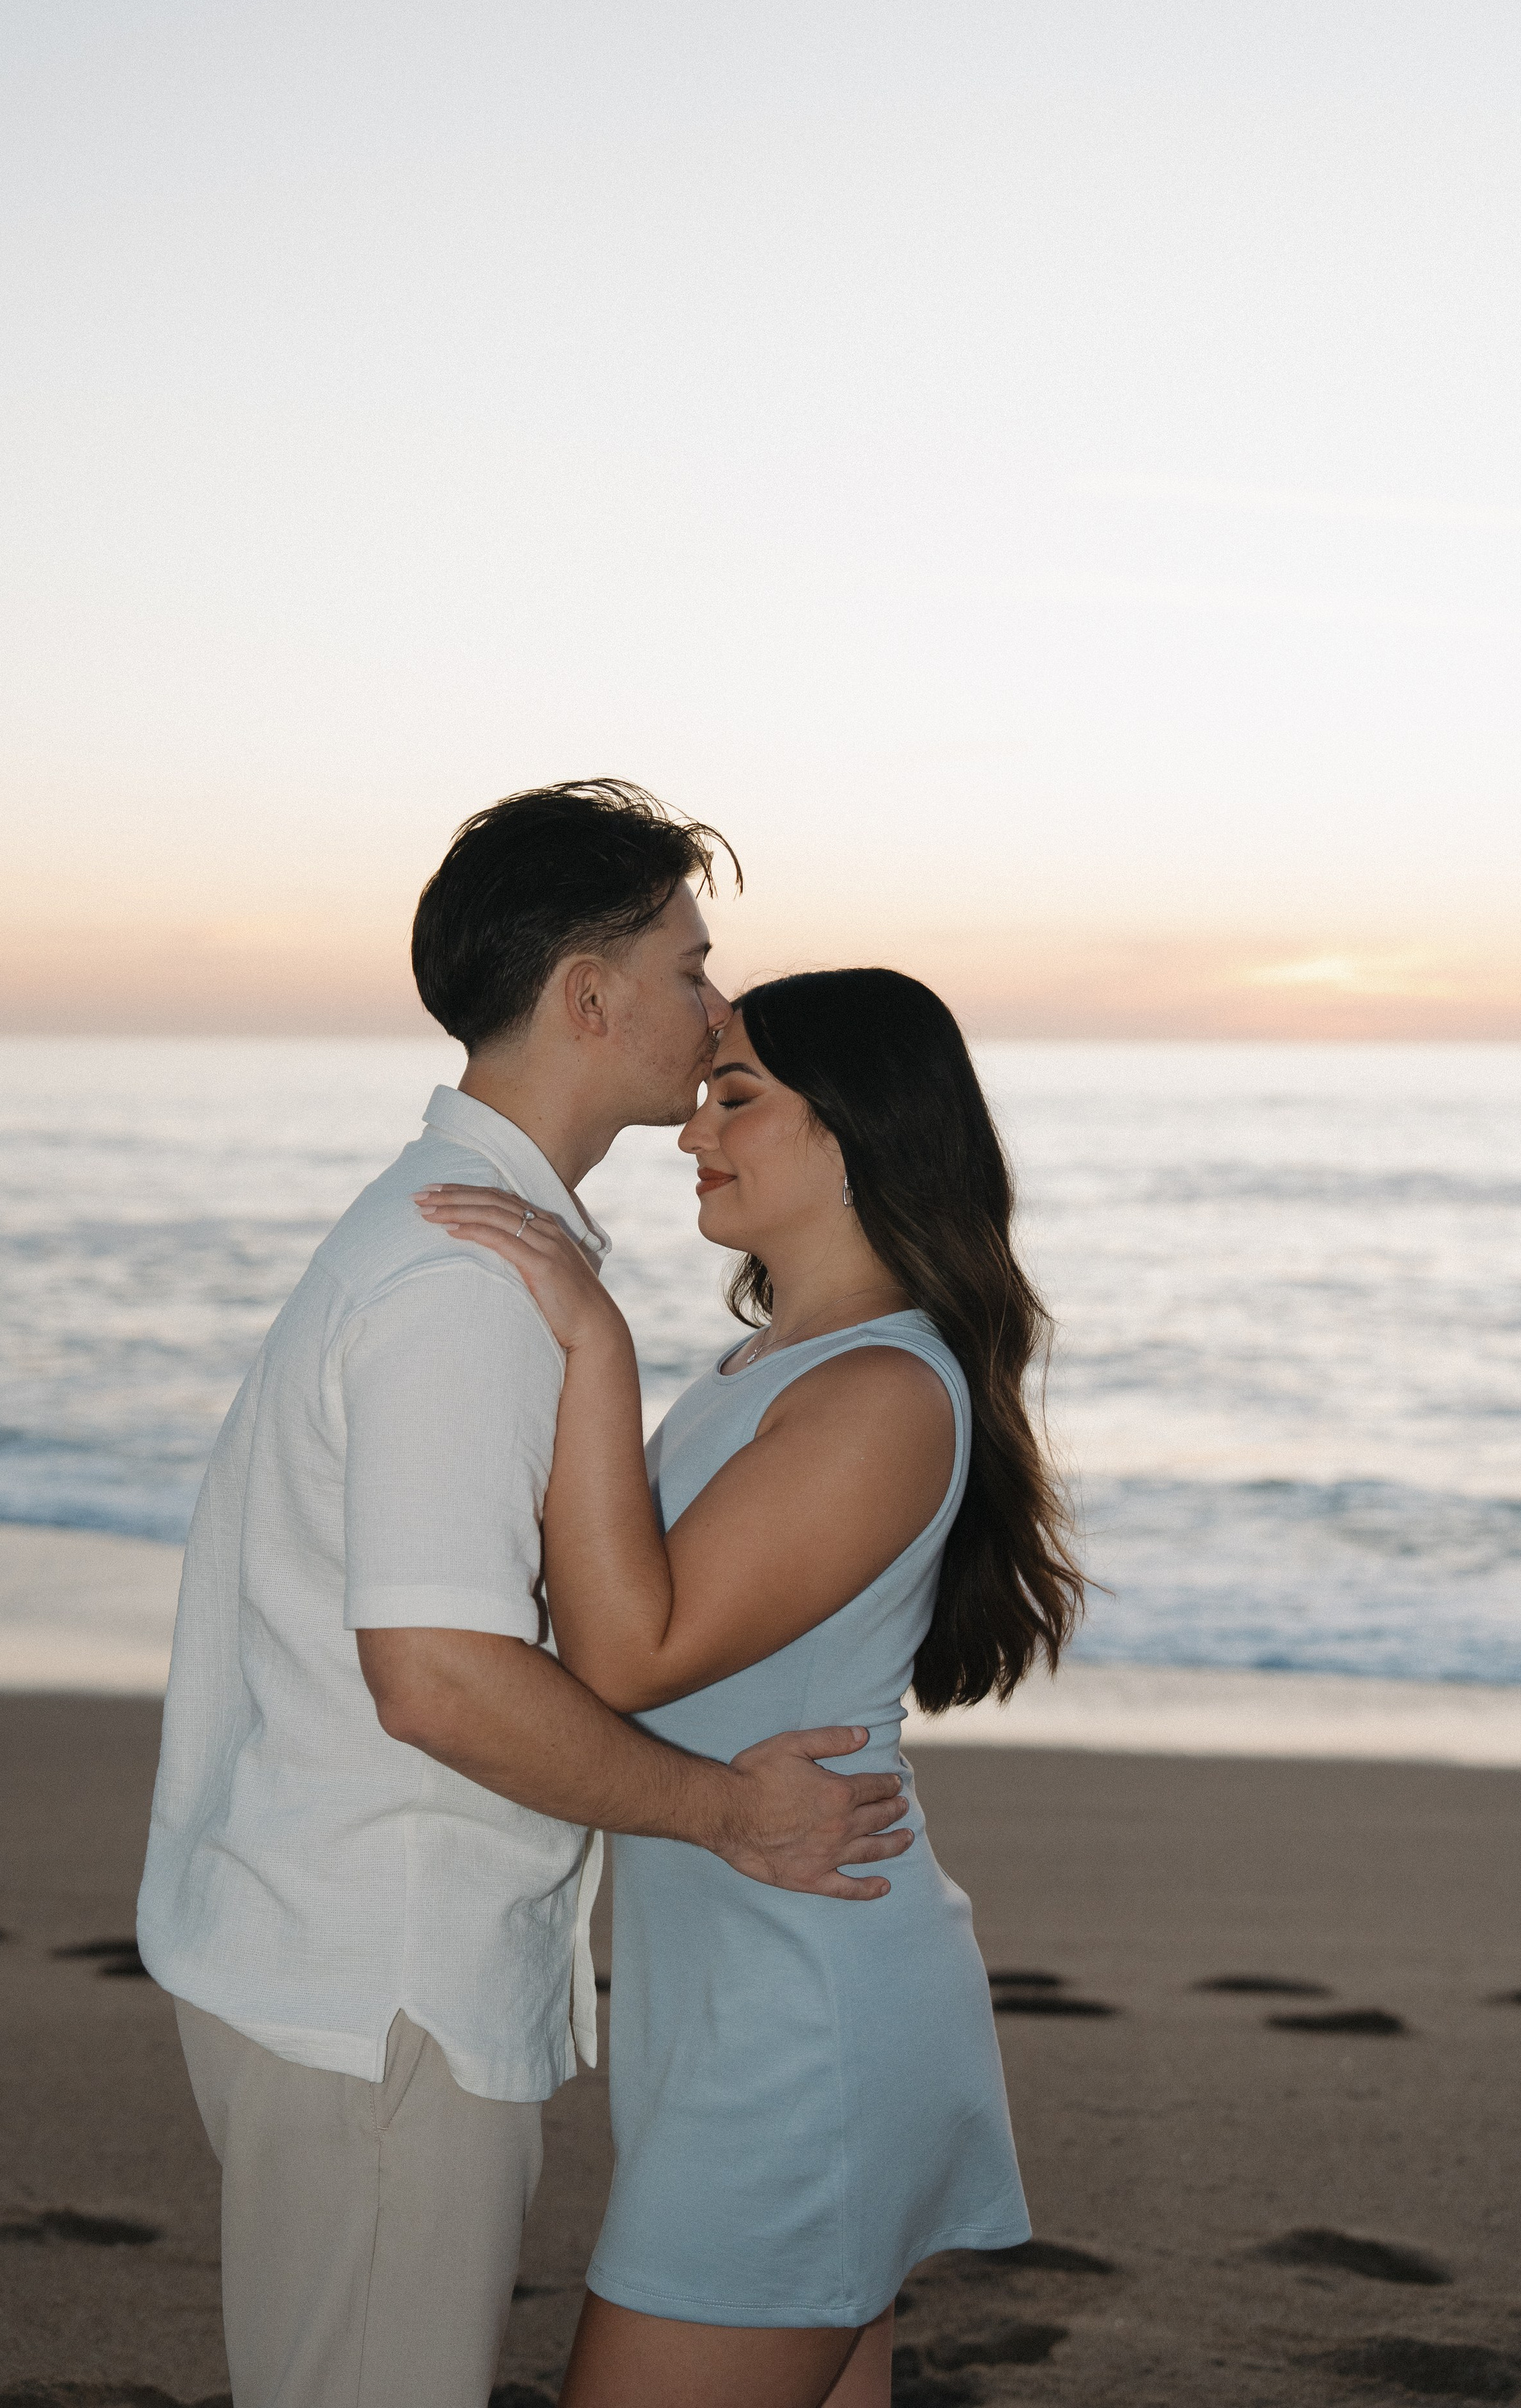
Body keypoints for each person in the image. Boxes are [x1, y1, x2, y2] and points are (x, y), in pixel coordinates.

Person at [136, 785, 914, 2408]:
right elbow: (435, 1678)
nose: (712, 1008)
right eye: (688, 967)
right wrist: (726, 1813)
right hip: (381, 1984)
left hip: (344, 1962)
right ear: (587, 995)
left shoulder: (462, 1243)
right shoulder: (465, 1281)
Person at [417, 964, 1082, 2408]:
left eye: (737, 1097)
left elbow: (626, 1657)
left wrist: (591, 1339)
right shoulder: (773, 1363)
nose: (691, 1131)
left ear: (858, 1129)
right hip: (745, 1987)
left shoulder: (879, 1393)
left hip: (802, 2017)